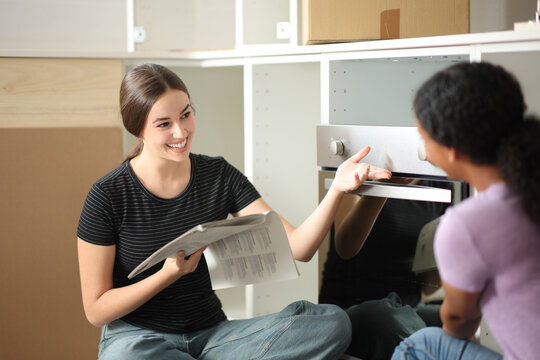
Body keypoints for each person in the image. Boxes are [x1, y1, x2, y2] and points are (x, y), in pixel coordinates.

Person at [76, 63, 392, 360]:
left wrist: (336, 189)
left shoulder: (218, 175)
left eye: (186, 115)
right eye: (164, 124)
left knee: (331, 323)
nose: (180, 132)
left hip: (214, 337)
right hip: (140, 339)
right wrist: (167, 275)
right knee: (125, 357)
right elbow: (96, 310)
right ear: (138, 129)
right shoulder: (108, 195)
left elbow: (300, 247)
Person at [391, 62, 540, 360]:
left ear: (451, 149)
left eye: (423, 137)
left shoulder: (468, 223)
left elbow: (459, 323)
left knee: (420, 344)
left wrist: (451, 308)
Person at [319, 180, 451, 360]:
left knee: (456, 319)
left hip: (408, 310)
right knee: (390, 321)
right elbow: (345, 247)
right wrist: (386, 185)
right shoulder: (363, 174)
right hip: (354, 311)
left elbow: (429, 287)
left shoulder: (439, 184)